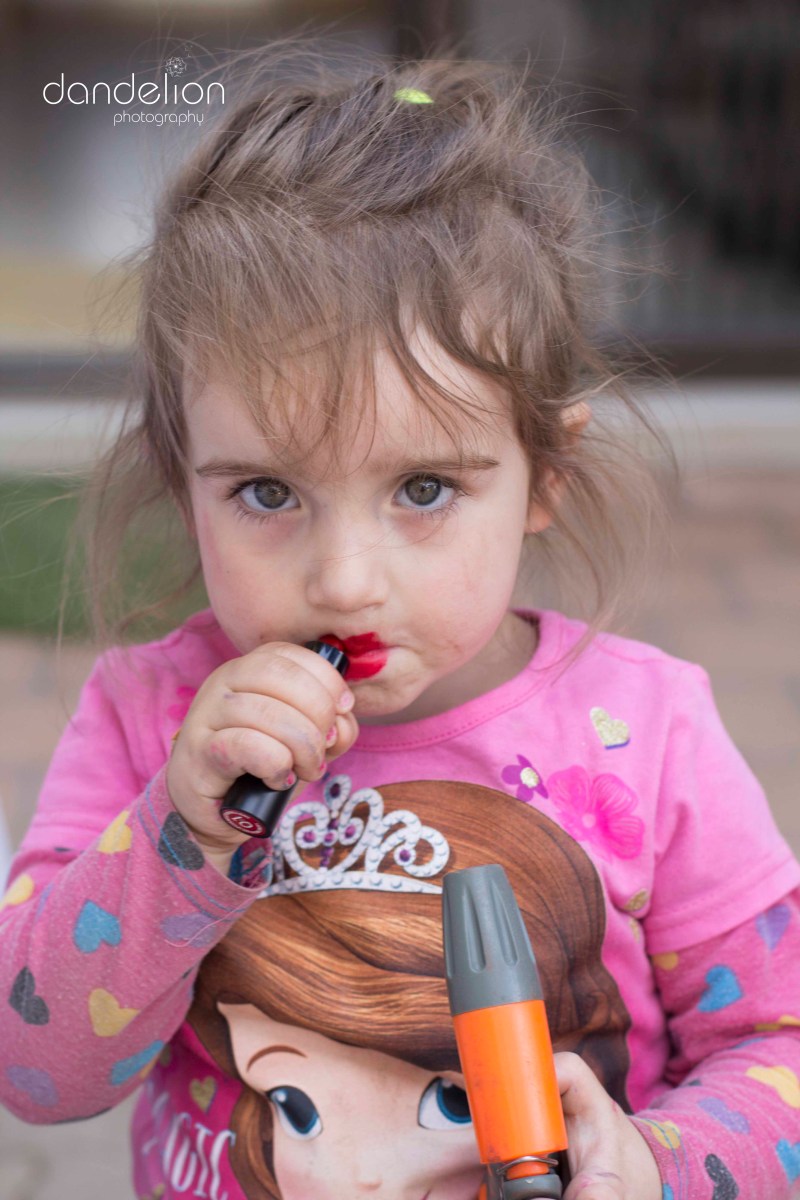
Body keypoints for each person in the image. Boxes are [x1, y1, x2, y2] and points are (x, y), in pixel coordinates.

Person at [1, 48, 799, 1200]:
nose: (342, 582)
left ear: (543, 473)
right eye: (266, 492)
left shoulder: (647, 734)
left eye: (422, 489)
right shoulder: (151, 723)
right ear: (183, 482)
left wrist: (659, 1166)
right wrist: (185, 836)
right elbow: (35, 1075)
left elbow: (776, 1048)